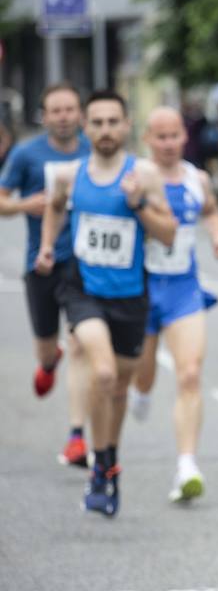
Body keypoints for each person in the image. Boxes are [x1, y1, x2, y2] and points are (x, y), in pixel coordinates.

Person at [36, 89, 176, 517]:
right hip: (83, 291)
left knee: (119, 387)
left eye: (113, 122)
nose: (105, 130)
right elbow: (54, 208)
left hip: (131, 297)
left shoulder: (146, 174)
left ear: (126, 125)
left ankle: (108, 462)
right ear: (85, 127)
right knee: (102, 370)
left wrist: (137, 204)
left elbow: (168, 233)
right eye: (96, 123)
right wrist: (46, 247)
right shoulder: (69, 175)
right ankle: (99, 464)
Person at [129, 106, 218, 502]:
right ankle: (141, 389)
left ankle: (187, 464)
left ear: (183, 138)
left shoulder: (196, 178)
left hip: (184, 289)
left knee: (189, 374)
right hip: (139, 287)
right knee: (143, 374)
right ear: (147, 139)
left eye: (174, 136)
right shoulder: (135, 176)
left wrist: (217, 237)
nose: (168, 143)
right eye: (161, 137)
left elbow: (212, 210)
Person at [0, 82, 93, 467]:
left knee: (82, 345)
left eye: (70, 109)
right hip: (40, 264)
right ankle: (48, 360)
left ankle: (76, 436)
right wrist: (25, 204)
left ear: (80, 113)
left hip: (85, 263)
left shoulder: (94, 149)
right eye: (56, 110)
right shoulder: (26, 154)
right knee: (48, 345)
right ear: (45, 115)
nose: (64, 117)